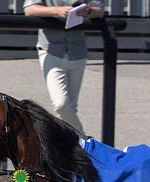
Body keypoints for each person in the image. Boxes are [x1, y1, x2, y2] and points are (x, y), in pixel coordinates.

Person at [23, 0, 104, 136]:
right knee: (61, 104)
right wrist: (57, 10)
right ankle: (84, 142)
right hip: (51, 50)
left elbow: (99, 10)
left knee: (70, 108)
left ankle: (69, 151)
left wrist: (88, 11)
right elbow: (29, 9)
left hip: (78, 51)